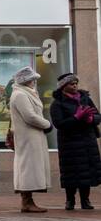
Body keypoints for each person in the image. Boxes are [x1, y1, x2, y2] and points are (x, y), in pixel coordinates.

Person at [49, 72, 101, 211]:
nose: (75, 85)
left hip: (87, 140)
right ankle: (70, 200)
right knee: (70, 172)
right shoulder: (57, 103)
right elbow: (59, 123)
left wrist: (91, 119)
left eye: (76, 83)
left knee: (86, 172)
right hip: (69, 143)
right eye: (71, 84)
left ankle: (85, 200)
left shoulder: (85, 98)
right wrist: (77, 117)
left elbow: (97, 115)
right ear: (63, 86)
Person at [8, 67, 53, 212]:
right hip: (28, 137)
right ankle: (27, 201)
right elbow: (29, 116)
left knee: (29, 168)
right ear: (26, 80)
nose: (34, 82)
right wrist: (47, 124)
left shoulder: (26, 93)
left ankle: (28, 201)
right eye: (32, 79)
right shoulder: (20, 95)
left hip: (32, 136)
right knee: (27, 168)